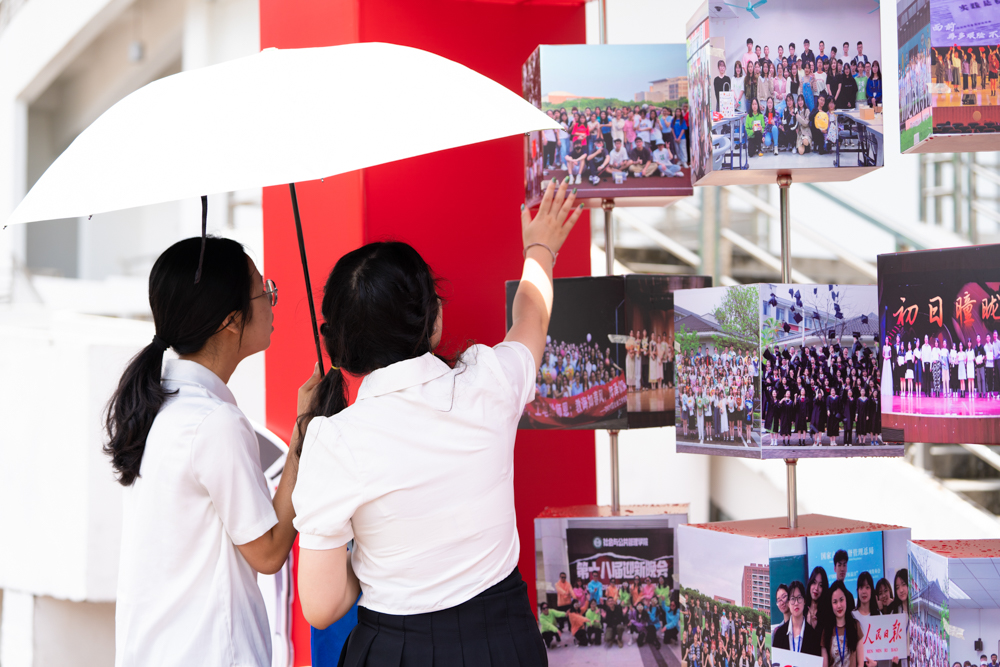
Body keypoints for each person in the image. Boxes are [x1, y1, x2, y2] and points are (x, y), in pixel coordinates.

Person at [292, 180, 584, 663]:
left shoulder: (334, 439)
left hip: (396, 650)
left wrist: (377, 555)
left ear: (340, 344)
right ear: (435, 320)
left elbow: (321, 607)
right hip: (505, 643)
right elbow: (531, 318)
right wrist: (540, 247)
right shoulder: (489, 381)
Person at [107, 237, 300, 666]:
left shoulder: (161, 403)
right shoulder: (214, 423)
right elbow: (268, 552)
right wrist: (303, 434)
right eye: (263, 290)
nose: (272, 301)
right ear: (231, 320)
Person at [774, 580, 822, 656]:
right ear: (788, 603)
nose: (796, 603)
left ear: (804, 601)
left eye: (799, 598)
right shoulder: (779, 634)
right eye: (793, 599)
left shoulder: (814, 636)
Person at [821, 581, 863, 667]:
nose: (839, 605)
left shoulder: (855, 626)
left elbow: (860, 663)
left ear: (846, 599)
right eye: (835, 602)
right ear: (831, 604)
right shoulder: (826, 631)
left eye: (841, 600)